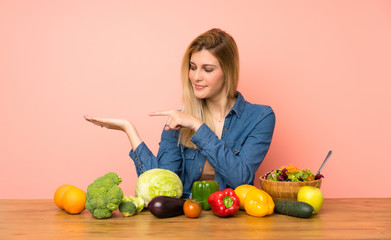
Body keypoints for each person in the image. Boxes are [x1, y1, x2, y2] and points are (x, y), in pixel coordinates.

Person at [85, 28, 275, 198]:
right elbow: (161, 187)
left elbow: (240, 179)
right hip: (186, 218)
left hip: (233, 218)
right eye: (192, 67)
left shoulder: (260, 117)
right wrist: (129, 130)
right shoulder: (178, 120)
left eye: (207, 69)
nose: (196, 77)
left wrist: (198, 126)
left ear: (228, 71)